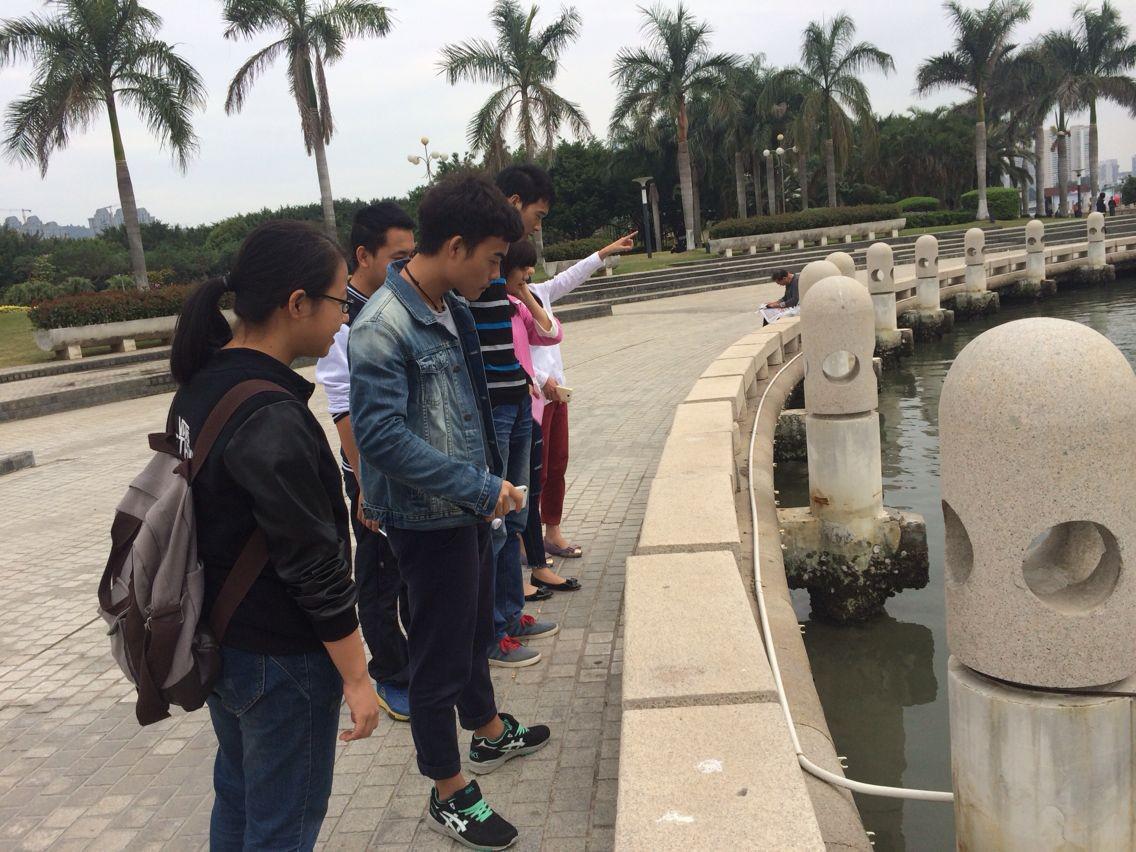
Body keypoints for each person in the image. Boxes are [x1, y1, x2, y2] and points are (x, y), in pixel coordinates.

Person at [349, 174, 551, 851]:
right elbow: (380, 438)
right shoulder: (383, 326)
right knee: (437, 660)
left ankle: (488, 732)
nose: (497, 274)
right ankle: (448, 791)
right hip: (425, 519)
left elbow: (471, 409)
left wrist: (490, 488)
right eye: (492, 259)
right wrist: (479, 487)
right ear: (456, 246)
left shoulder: (452, 308)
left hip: (466, 507)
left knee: (470, 634)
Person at [168, 221, 381, 850]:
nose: (345, 317)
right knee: (282, 826)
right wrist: (357, 676)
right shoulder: (272, 414)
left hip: (223, 641)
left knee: (238, 799)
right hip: (283, 658)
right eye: (340, 300)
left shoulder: (202, 386)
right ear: (297, 303)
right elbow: (313, 565)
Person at [495, 164, 636, 569]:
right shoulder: (503, 298)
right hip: (535, 397)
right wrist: (542, 380)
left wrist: (603, 254)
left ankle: (550, 530)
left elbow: (558, 312)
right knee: (531, 473)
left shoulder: (535, 293)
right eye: (538, 216)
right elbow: (511, 353)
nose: (538, 227)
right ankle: (524, 542)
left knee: (556, 465)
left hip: (557, 394)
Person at [315, 202, 415, 721]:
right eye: (398, 258)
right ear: (363, 255)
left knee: (407, 568)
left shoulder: (395, 301)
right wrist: (366, 485)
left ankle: (413, 661)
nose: (407, 266)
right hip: (370, 473)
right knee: (377, 577)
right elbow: (343, 407)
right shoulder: (345, 317)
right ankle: (390, 674)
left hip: (403, 463)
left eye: (412, 256)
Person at [468, 191, 562, 668]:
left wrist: (520, 289)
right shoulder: (472, 278)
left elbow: (548, 332)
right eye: (536, 216)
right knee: (497, 521)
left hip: (519, 406)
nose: (536, 227)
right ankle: (494, 631)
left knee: (517, 514)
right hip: (495, 413)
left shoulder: (502, 286)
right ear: (511, 203)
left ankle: (509, 616)